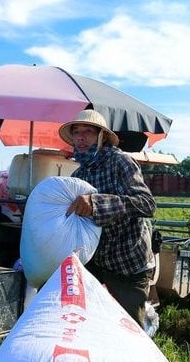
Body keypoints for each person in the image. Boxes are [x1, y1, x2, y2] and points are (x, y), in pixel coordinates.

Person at [58, 110, 156, 327]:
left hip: (128, 262)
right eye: (77, 133)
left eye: (88, 132)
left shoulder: (120, 162)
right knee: (90, 321)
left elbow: (147, 204)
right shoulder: (78, 176)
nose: (81, 138)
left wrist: (98, 203)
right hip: (97, 260)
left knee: (130, 328)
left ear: (101, 136)